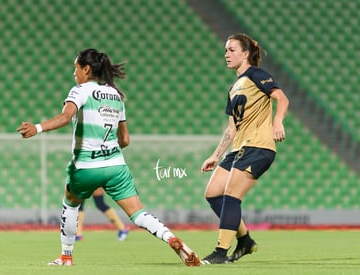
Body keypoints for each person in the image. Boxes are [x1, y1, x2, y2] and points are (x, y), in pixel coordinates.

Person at [17, 48, 200, 267]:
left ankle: (66, 256)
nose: (74, 73)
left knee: (71, 204)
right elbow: (125, 140)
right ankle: (170, 237)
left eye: (76, 68)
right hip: (116, 166)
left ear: (86, 69)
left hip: (86, 166)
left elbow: (66, 118)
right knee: (138, 213)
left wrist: (37, 128)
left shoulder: (80, 90)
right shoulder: (116, 95)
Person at [200, 33, 289, 264]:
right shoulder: (233, 87)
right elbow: (231, 129)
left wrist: (277, 122)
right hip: (238, 148)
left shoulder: (257, 75)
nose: (226, 54)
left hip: (258, 147)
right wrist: (215, 155)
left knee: (231, 196)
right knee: (212, 193)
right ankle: (246, 240)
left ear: (245, 54)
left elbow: (282, 98)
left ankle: (220, 252)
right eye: (226, 50)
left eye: (231, 50)